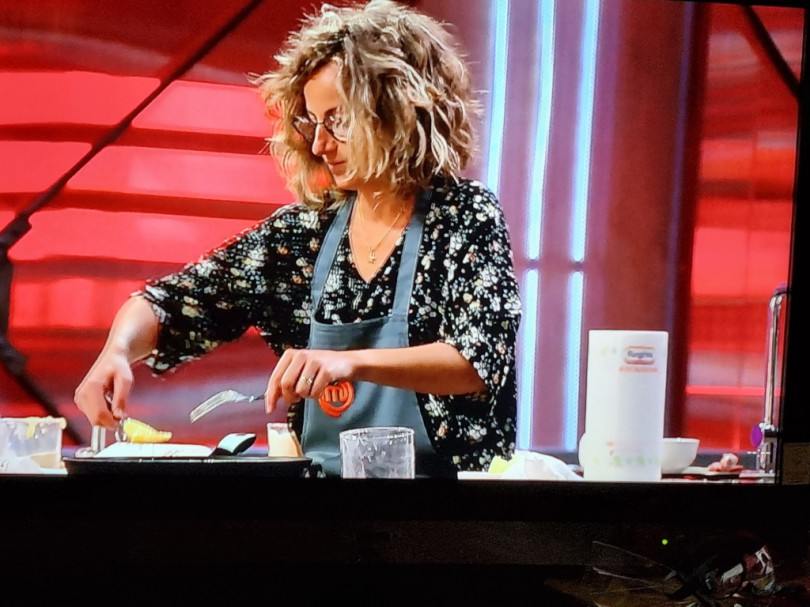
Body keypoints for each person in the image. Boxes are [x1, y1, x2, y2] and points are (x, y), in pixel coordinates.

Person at [73, 0, 522, 477]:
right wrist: (116, 353)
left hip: (451, 506)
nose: (320, 144)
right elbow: (174, 302)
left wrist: (349, 363)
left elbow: (477, 360)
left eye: (339, 120)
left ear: (396, 112)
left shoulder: (464, 216)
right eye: (313, 122)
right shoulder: (302, 235)